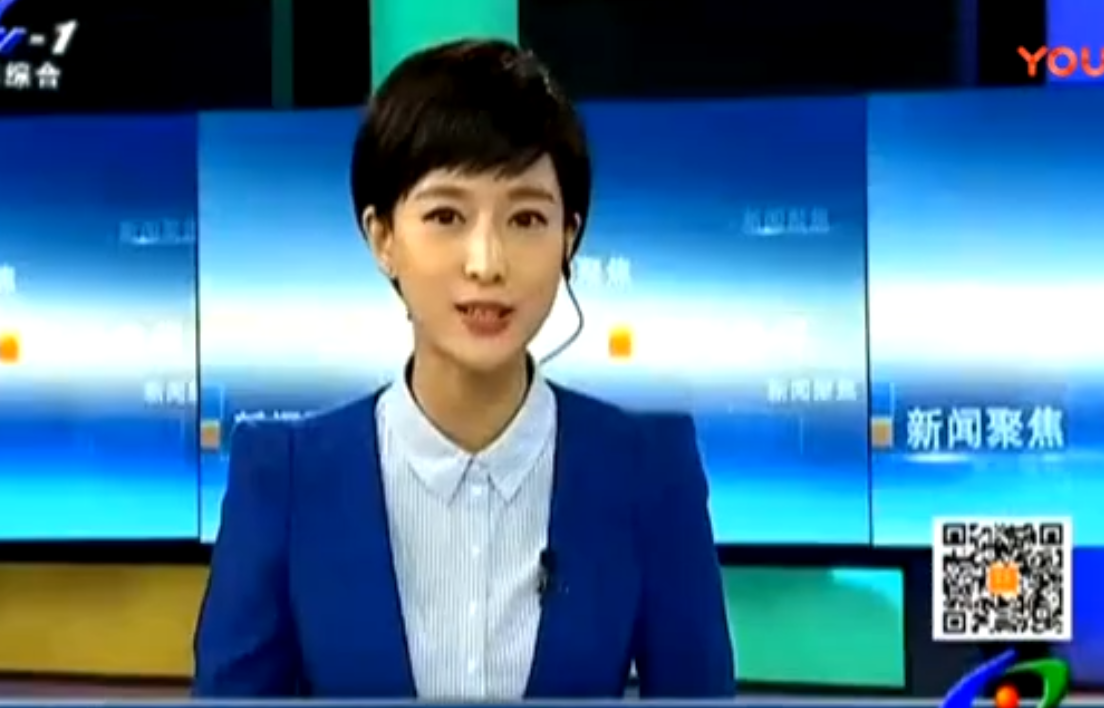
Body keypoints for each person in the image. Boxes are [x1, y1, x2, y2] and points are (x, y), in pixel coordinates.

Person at [192, 38, 736, 699]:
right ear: (382, 236)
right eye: (446, 215)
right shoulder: (284, 477)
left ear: (569, 235)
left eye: (526, 218)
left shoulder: (649, 471)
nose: (486, 262)